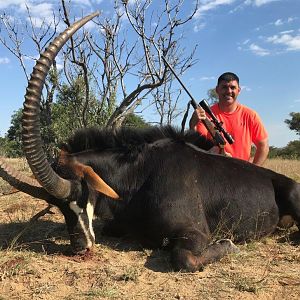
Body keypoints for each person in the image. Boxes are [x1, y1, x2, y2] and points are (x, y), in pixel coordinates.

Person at [189, 72, 269, 166]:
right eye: (224, 87)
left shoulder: (251, 115)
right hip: (213, 171)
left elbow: (263, 146)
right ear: (217, 90)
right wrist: (192, 124)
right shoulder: (205, 115)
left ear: (239, 90)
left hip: (242, 173)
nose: (229, 91)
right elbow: (197, 146)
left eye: (233, 87)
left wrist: (254, 171)